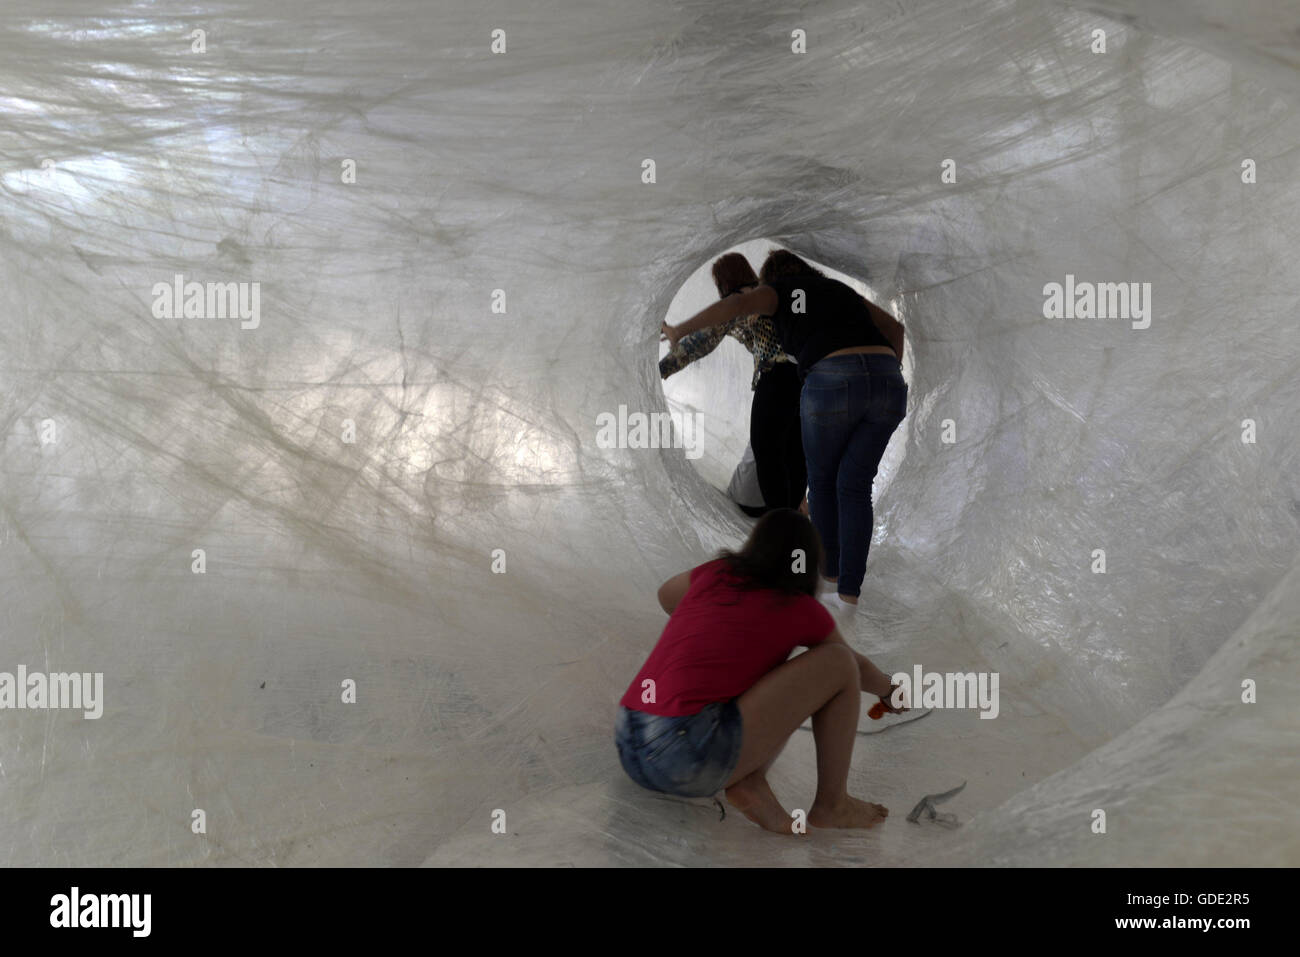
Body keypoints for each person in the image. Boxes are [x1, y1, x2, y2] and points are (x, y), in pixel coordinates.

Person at [615, 509, 903, 833]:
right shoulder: (800, 608)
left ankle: (749, 781)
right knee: (837, 662)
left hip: (630, 742)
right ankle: (832, 805)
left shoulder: (715, 573)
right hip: (684, 757)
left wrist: (715, 622)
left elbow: (666, 597)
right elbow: (855, 667)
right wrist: (892, 691)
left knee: (757, 674)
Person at [662, 250, 906, 612]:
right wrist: (881, 371)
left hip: (814, 379)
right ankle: (848, 592)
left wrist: (677, 336)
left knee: (803, 474)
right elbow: (896, 329)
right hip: (883, 383)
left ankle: (812, 570)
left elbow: (723, 318)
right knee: (850, 486)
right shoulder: (836, 291)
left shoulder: (772, 293)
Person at [660, 253, 806, 514]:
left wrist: (663, 368)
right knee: (795, 453)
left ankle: (779, 523)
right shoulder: (771, 292)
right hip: (807, 378)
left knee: (767, 453)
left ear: (723, 282)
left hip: (777, 377)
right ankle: (796, 519)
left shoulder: (740, 301)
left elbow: (702, 341)